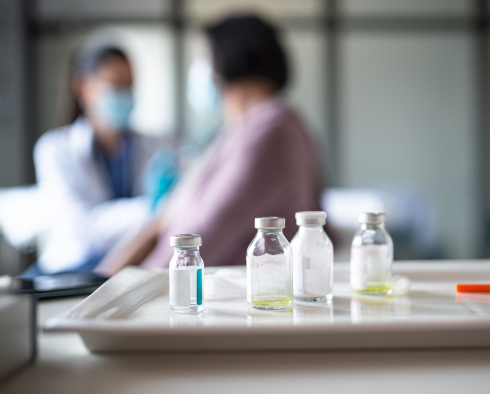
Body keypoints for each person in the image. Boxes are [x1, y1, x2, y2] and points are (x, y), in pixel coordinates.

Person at [95, 15, 324, 275]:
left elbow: (205, 232)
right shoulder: (253, 127)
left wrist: (125, 287)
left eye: (203, 57)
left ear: (226, 59)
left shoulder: (270, 130)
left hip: (225, 294)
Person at [28, 46, 163, 276]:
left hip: (133, 266)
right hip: (70, 270)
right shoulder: (54, 149)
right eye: (117, 85)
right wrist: (153, 209)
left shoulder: (155, 146)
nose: (126, 95)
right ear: (84, 87)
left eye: (130, 86)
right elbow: (84, 231)